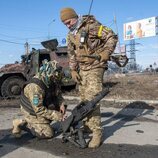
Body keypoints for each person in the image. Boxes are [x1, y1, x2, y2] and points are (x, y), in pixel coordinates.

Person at [60, 7, 118, 148]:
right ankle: (88, 124)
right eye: (65, 24)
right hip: (82, 69)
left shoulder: (92, 25)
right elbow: (72, 54)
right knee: (84, 99)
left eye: (69, 21)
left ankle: (97, 133)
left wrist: (106, 52)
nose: (68, 25)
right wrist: (73, 70)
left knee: (93, 99)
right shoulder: (70, 35)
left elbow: (112, 37)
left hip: (96, 65)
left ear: (75, 17)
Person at [12, 59, 66, 139]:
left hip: (42, 105)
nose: (55, 80)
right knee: (48, 133)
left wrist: (62, 104)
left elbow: (58, 95)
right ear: (49, 74)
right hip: (31, 110)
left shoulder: (52, 80)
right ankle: (20, 123)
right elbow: (38, 109)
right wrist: (56, 115)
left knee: (56, 110)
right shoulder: (35, 86)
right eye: (54, 78)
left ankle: (42, 123)